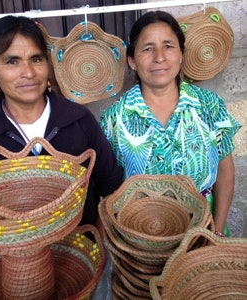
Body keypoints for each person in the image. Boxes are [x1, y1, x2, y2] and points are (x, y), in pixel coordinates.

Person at [0, 15, 124, 226]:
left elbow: (110, 186)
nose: (29, 73)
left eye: (36, 59)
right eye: (12, 61)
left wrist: (95, 243)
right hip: (9, 258)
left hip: (80, 254)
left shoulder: (79, 121)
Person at [100, 10, 241, 237]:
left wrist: (217, 230)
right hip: (141, 237)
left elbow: (225, 172)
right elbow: (108, 189)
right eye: (147, 48)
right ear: (132, 61)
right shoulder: (114, 118)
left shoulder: (209, 106)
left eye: (168, 46)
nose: (159, 57)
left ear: (181, 54)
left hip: (203, 231)